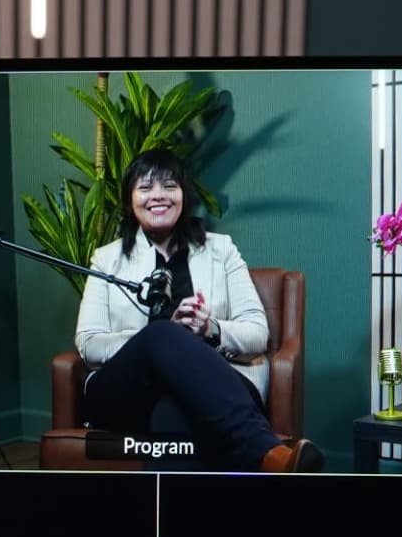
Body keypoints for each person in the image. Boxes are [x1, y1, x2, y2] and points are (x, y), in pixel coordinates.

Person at [73, 150, 313, 470]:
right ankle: (264, 448)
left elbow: (257, 332)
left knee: (175, 412)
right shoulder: (107, 259)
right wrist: (155, 339)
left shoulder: (220, 250)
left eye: (169, 186)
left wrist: (211, 329)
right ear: (129, 199)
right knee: (162, 335)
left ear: (184, 195)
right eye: (145, 188)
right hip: (125, 391)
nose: (158, 196)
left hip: (216, 386)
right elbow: (89, 343)